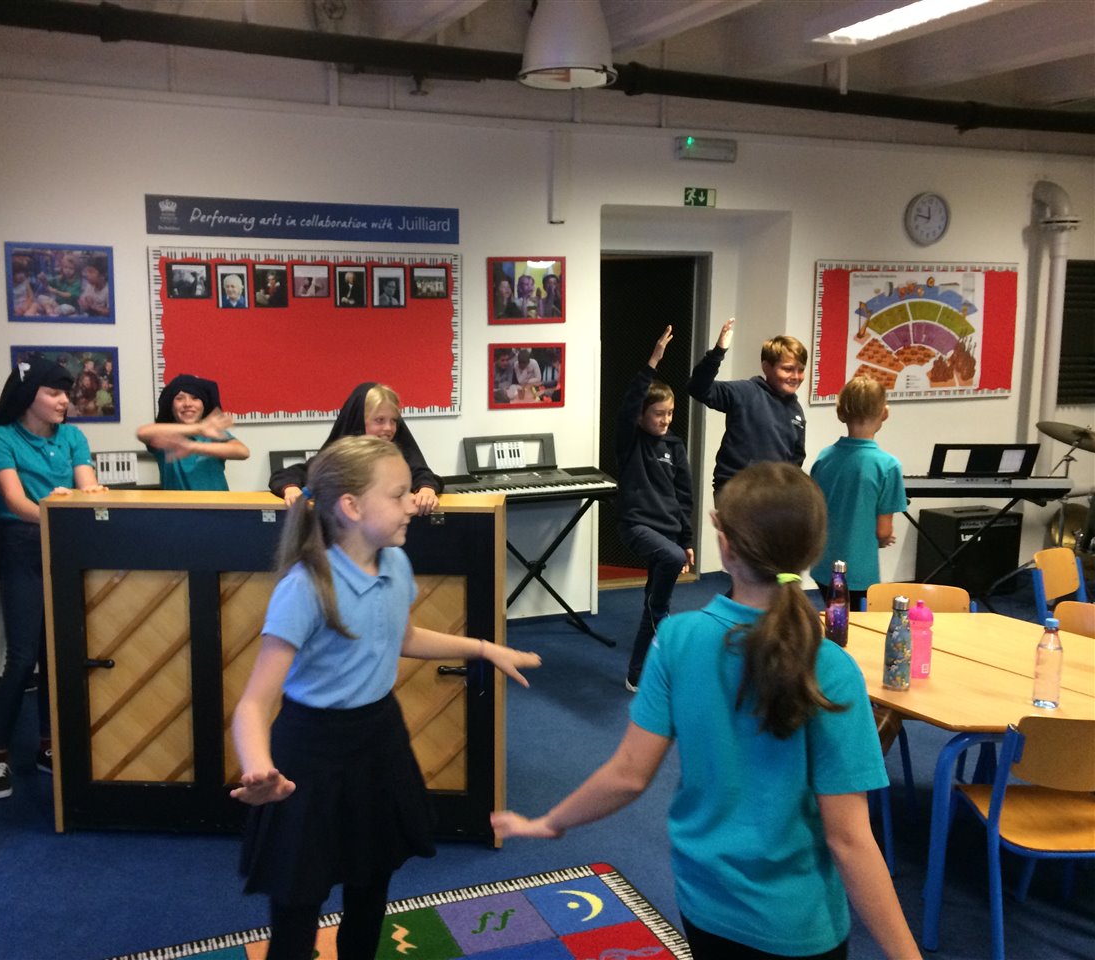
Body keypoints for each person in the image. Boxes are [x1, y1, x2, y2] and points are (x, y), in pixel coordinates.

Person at [491, 462, 919, 960]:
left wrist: (551, 821)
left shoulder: (676, 638)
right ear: (813, 551)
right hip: (796, 926)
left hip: (705, 906)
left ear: (726, 545)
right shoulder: (833, 668)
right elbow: (848, 839)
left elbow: (628, 774)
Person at [231, 435, 542, 960]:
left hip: (378, 741)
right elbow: (253, 705)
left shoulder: (394, 562)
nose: (412, 506)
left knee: (371, 882)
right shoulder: (306, 587)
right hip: (309, 754)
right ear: (351, 507)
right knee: (299, 899)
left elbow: (401, 636)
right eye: (398, 495)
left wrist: (484, 648)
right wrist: (259, 768)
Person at [0, 357, 107, 800]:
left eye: (66, 393)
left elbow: (86, 483)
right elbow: (13, 499)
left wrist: (88, 494)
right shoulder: (1, 438)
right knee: (23, 658)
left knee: (57, 655)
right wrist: (54, 508)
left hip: (65, 545)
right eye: (54, 392)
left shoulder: (73, 437)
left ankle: (47, 744)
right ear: (29, 396)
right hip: (22, 545)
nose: (65, 401)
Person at [615, 325, 693, 692]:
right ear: (642, 415)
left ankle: (637, 675)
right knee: (660, 601)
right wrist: (653, 362)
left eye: (670, 413)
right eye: (658, 413)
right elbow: (630, 403)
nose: (665, 420)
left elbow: (684, 496)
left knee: (655, 600)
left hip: (667, 530)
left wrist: (687, 539)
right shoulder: (630, 441)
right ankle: (662, 622)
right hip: (636, 525)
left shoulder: (675, 446)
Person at [268, 382, 444, 515]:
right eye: (379, 420)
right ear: (359, 421)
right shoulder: (340, 457)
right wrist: (291, 488)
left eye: (394, 421)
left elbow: (422, 474)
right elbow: (287, 475)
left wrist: (426, 489)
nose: (389, 428)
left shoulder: (398, 456)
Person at [810, 377, 907, 610]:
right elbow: (883, 530)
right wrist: (884, 539)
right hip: (859, 571)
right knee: (854, 623)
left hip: (823, 564)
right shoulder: (888, 466)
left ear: (840, 413)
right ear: (885, 413)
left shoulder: (824, 458)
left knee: (833, 616)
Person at [687, 317, 806, 494]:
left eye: (801, 370)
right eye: (788, 369)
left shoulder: (796, 411)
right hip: (737, 490)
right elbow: (698, 388)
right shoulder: (745, 392)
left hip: (774, 494)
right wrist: (718, 352)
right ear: (766, 367)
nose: (796, 376)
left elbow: (796, 460)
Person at [136, 374, 250, 491]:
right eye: (179, 398)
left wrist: (193, 447)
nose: (187, 404)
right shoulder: (165, 436)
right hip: (176, 503)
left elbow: (243, 452)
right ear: (171, 406)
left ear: (203, 405)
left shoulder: (213, 434)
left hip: (217, 502)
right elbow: (142, 432)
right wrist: (199, 428)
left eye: (195, 398)